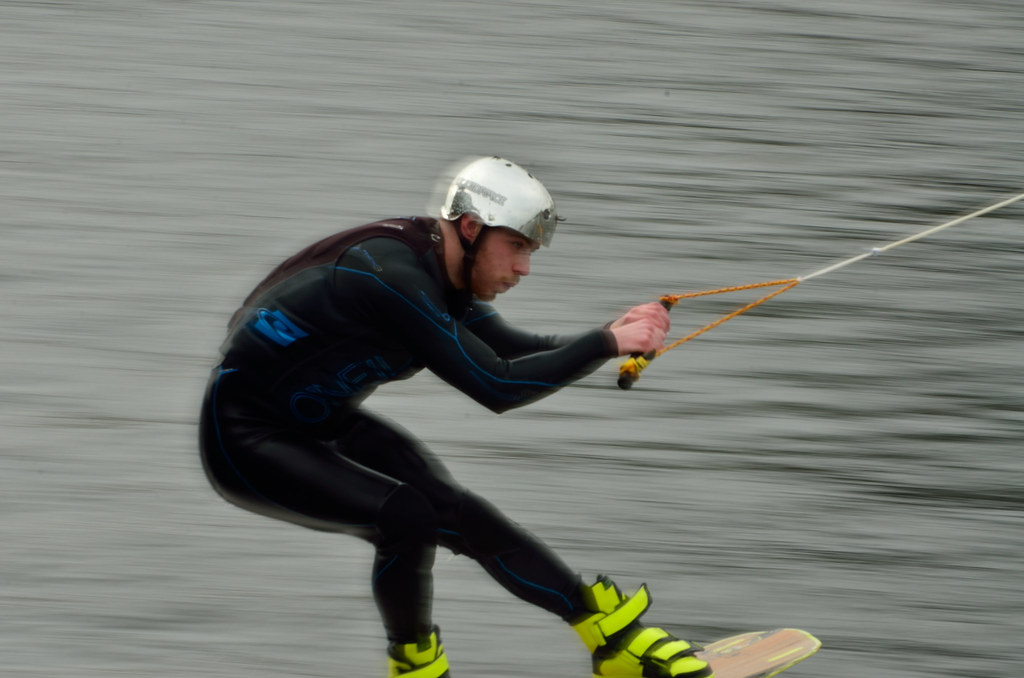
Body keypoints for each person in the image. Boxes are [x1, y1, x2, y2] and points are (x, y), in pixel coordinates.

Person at [199, 156, 712, 678]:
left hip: (322, 421)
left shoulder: (442, 276)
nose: (523, 270)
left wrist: (611, 333)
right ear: (470, 228)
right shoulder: (390, 277)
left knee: (457, 511)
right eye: (516, 248)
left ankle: (610, 642)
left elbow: (515, 350)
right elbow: (497, 385)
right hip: (244, 437)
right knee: (405, 517)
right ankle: (416, 667)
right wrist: (606, 342)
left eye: (530, 253)